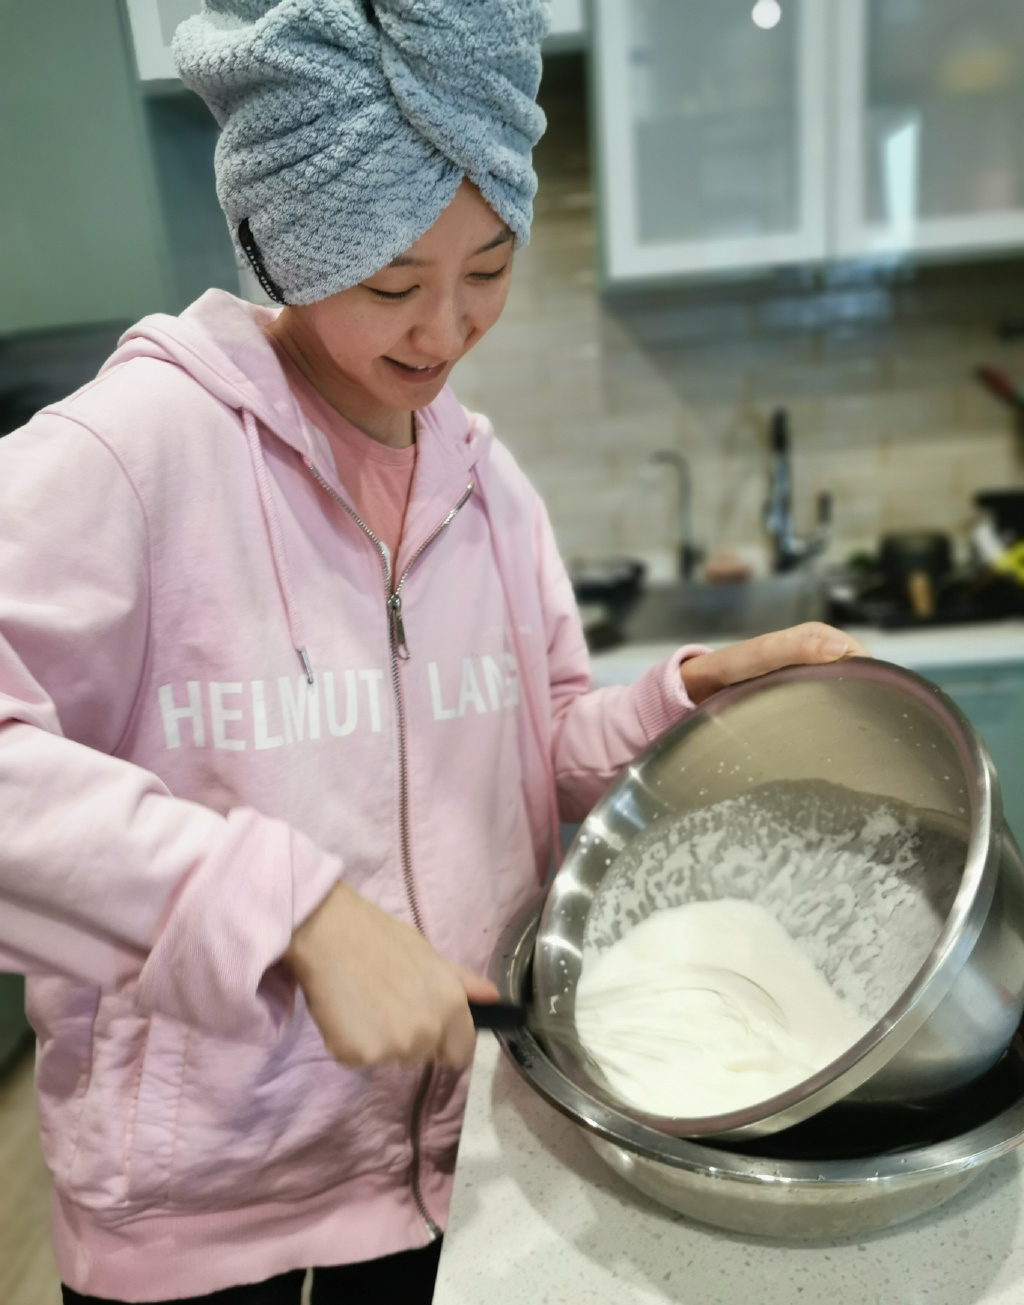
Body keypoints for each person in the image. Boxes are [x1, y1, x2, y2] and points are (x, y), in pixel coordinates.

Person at [0, 2, 866, 1302]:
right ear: (284, 244)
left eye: (491, 268)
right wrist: (287, 912)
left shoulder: (484, 481)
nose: (445, 332)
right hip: (203, 1223)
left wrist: (675, 706)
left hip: (454, 1167)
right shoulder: (135, 453)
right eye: (393, 284)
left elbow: (537, 744)